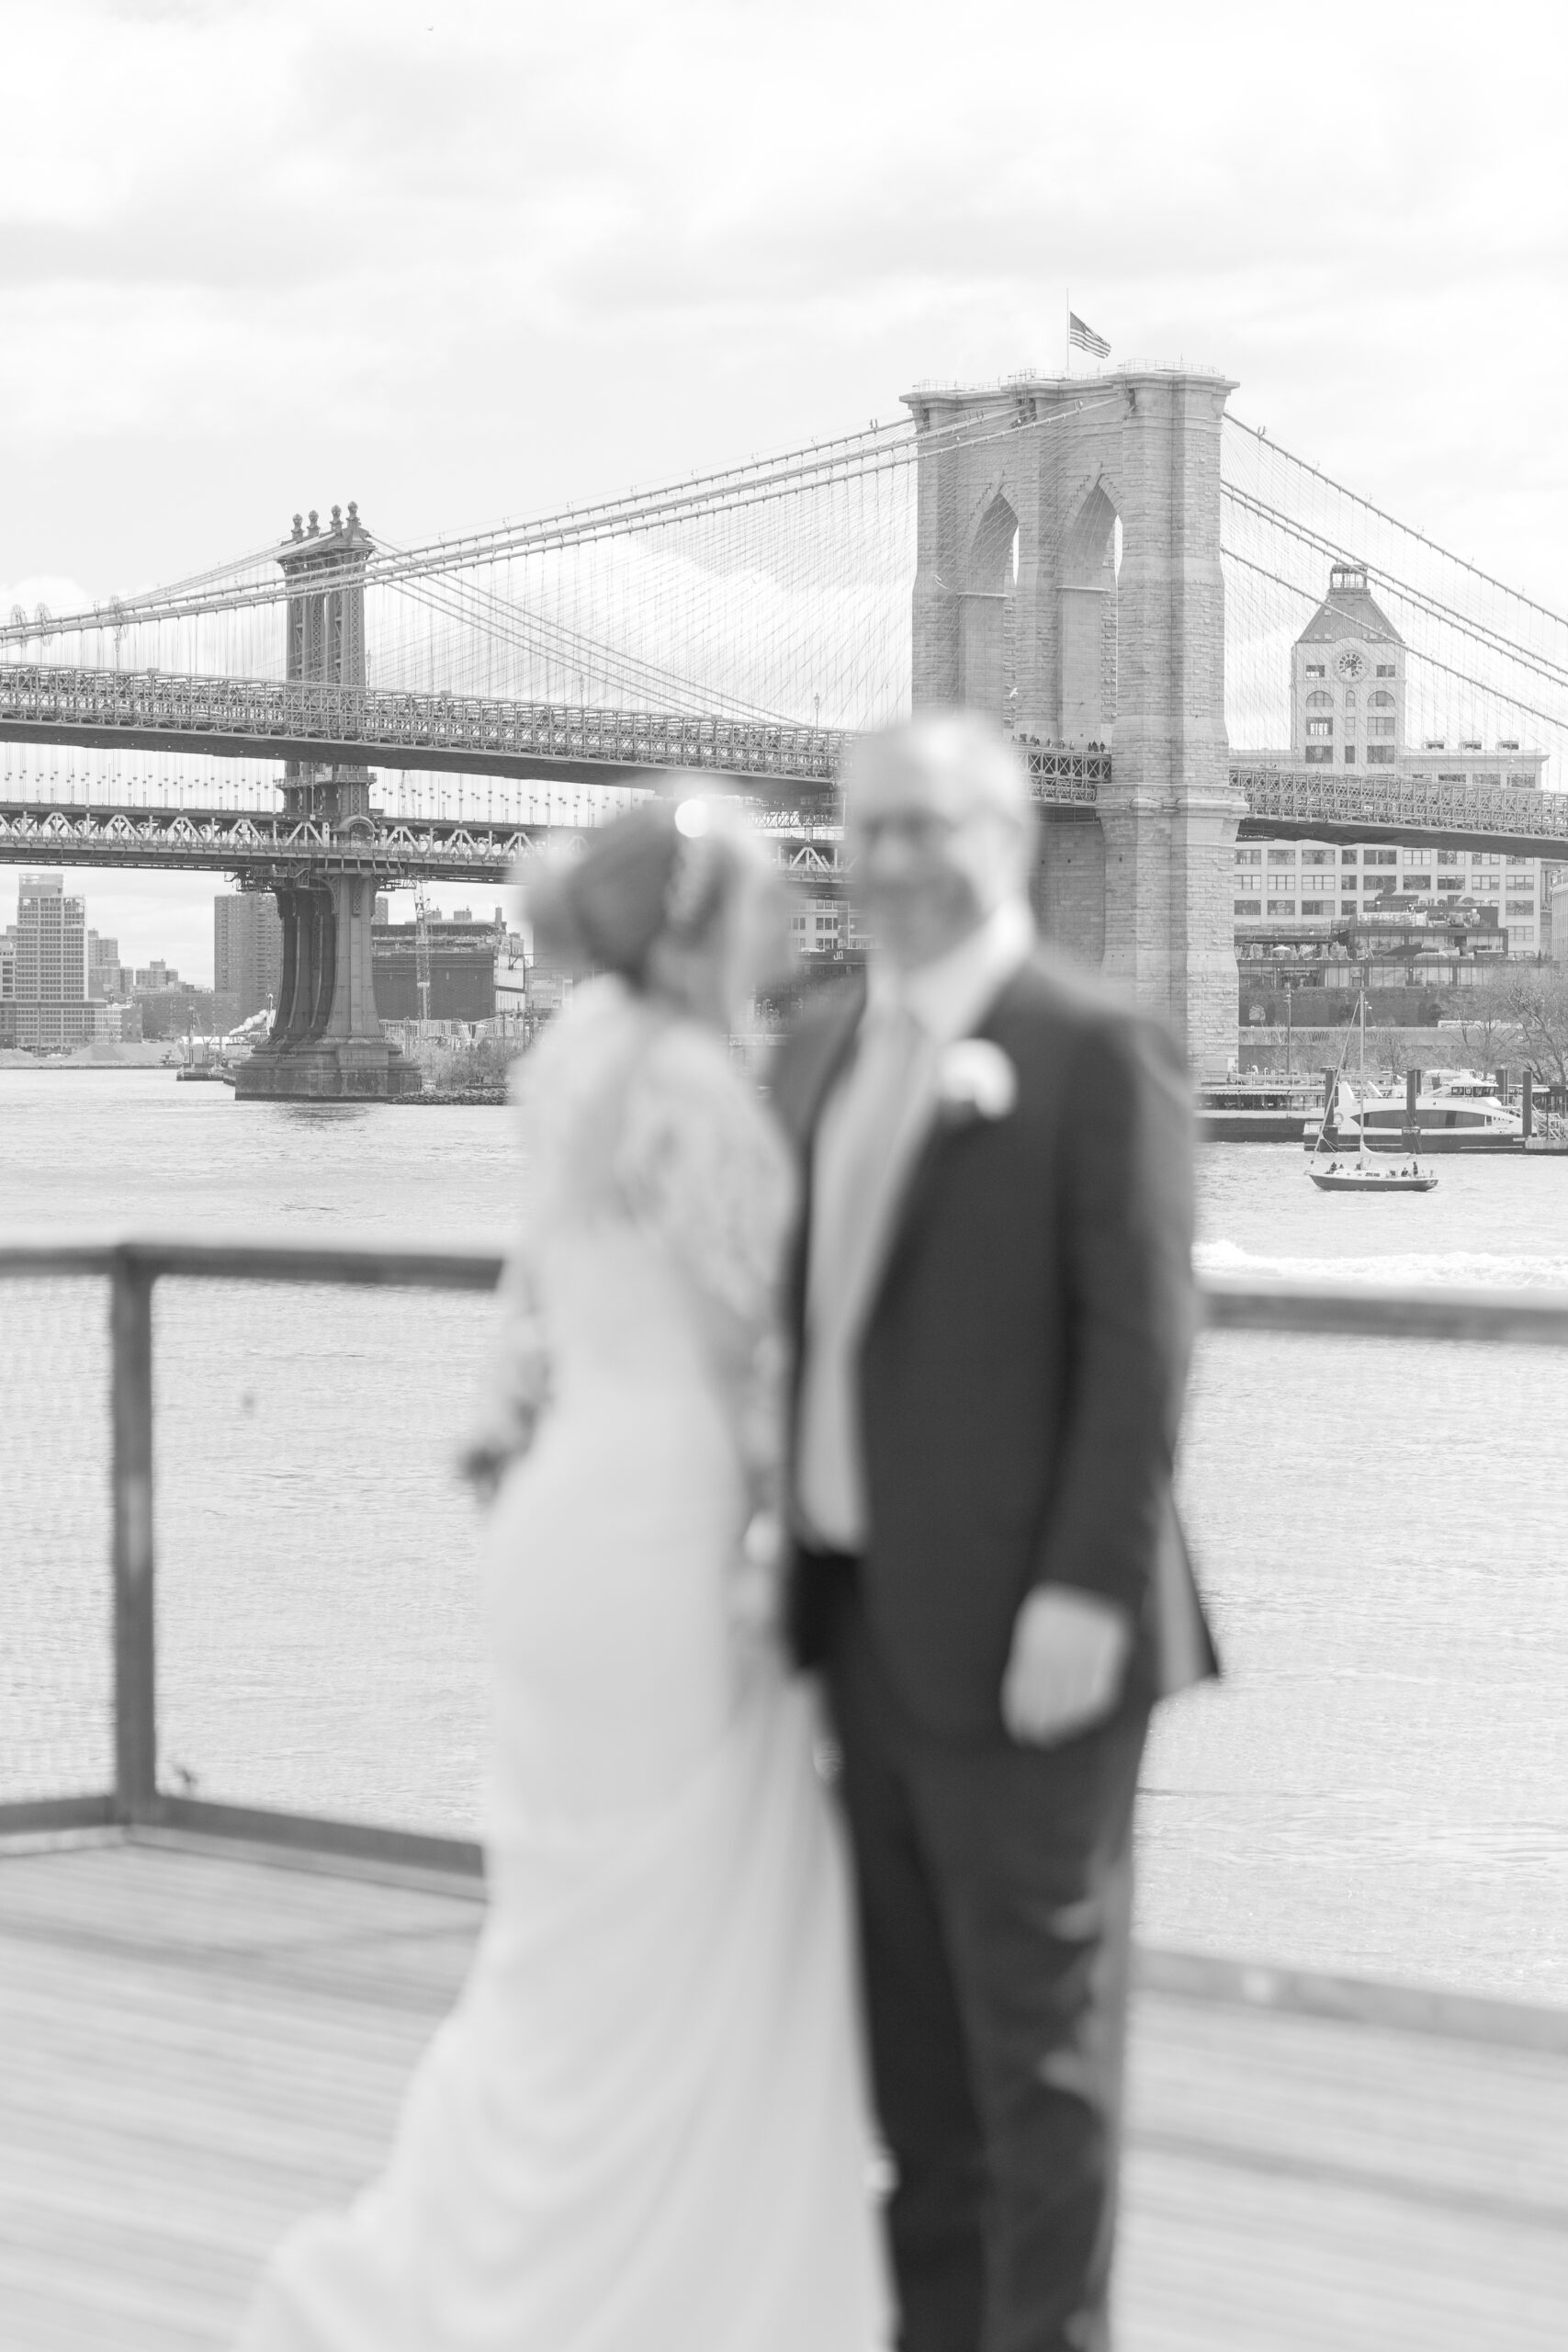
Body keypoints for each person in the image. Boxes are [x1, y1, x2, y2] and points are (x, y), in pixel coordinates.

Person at [236, 797, 891, 2352]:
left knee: (565, 1914)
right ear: (693, 927)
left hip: (561, 1527)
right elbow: (771, 1337)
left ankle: (500, 2262)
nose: (784, 927)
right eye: (757, 905)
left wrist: (504, 1424)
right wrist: (793, 1537)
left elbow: (535, 1310)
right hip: (675, 1529)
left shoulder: (565, 1064)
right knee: (690, 1904)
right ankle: (661, 2285)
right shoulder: (686, 1085)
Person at [773, 711, 1218, 2352]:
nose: (888, 858)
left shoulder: (1097, 1044)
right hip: (855, 1631)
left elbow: (1142, 1338)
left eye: (927, 827)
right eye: (864, 826)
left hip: (1037, 1636)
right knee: (914, 2077)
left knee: (1037, 2069)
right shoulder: (813, 1044)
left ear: (1014, 838)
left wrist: (1087, 1594)